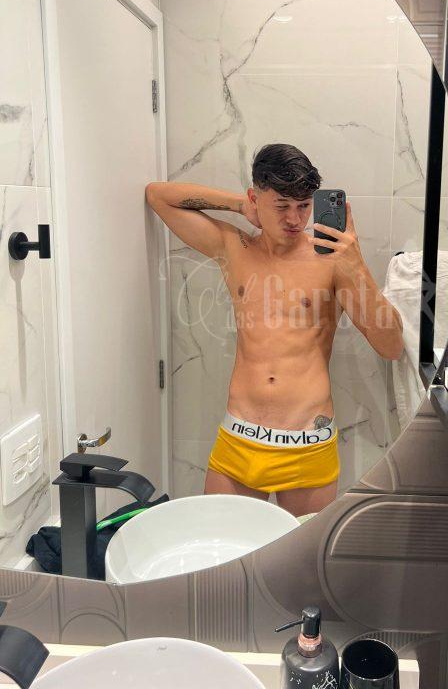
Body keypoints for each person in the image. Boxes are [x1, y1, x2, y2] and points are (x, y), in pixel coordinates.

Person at [146, 143, 403, 515]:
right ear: (256, 199)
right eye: (281, 206)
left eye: (304, 205)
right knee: (222, 546)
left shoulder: (332, 261)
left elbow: (391, 346)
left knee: (299, 553)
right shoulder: (234, 247)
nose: (295, 219)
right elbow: (158, 196)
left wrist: (356, 264)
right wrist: (238, 206)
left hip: (307, 445)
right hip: (239, 440)